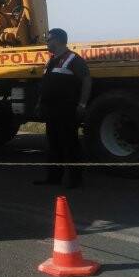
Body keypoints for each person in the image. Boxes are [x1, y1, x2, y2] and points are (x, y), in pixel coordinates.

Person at [34, 28, 92, 189]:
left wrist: (82, 104)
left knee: (69, 144)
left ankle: (75, 179)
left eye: (49, 39)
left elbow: (86, 81)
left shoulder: (73, 59)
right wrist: (40, 102)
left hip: (66, 109)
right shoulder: (51, 60)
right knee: (53, 144)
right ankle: (53, 177)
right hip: (51, 110)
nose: (47, 42)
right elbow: (45, 84)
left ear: (58, 40)